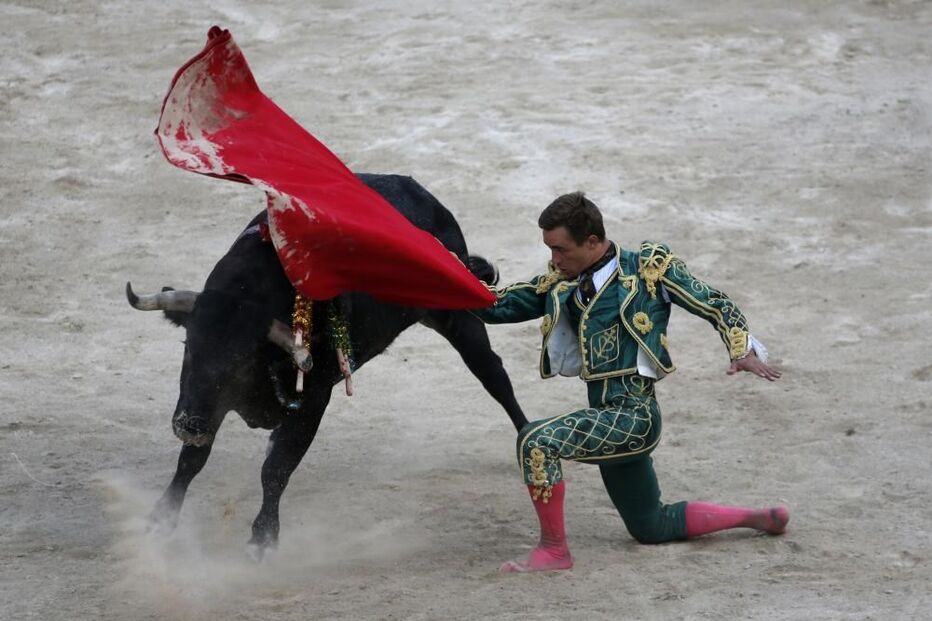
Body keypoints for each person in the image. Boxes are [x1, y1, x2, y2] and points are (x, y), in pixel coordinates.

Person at [474, 192, 788, 573]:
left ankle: (554, 551)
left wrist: (739, 347)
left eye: (561, 249)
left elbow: (715, 302)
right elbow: (496, 305)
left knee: (536, 442)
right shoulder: (564, 281)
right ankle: (756, 518)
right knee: (651, 526)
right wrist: (439, 279)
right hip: (607, 418)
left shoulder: (647, 270)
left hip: (634, 417)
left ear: (592, 241)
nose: (554, 260)